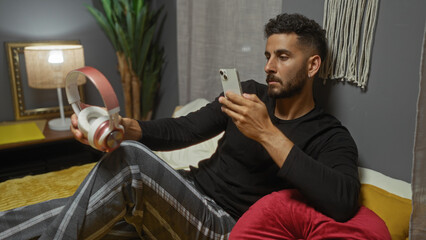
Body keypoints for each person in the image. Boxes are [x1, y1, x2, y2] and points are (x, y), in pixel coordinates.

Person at [0, 13, 390, 240]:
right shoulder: (249, 94)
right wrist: (128, 127)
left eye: (283, 56)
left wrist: (268, 133)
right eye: (268, 55)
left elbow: (343, 200)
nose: (269, 65)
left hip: (223, 226)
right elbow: (184, 130)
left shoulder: (329, 135)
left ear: (312, 66)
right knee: (70, 211)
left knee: (132, 164)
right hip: (185, 193)